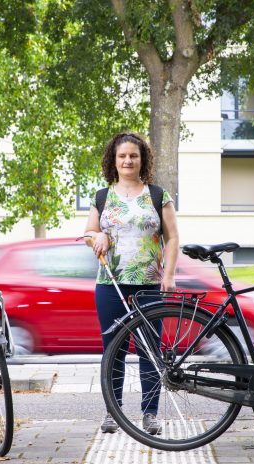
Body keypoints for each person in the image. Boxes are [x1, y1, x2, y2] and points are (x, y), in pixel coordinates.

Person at [84, 132, 179, 435]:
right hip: (110, 284)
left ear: (142, 160)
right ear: (114, 160)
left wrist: (168, 275)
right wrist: (97, 236)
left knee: (150, 349)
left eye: (133, 156)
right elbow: (88, 233)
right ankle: (113, 412)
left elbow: (173, 237)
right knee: (114, 349)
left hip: (149, 284)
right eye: (122, 156)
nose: (128, 161)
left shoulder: (157, 195)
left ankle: (150, 414)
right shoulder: (102, 196)